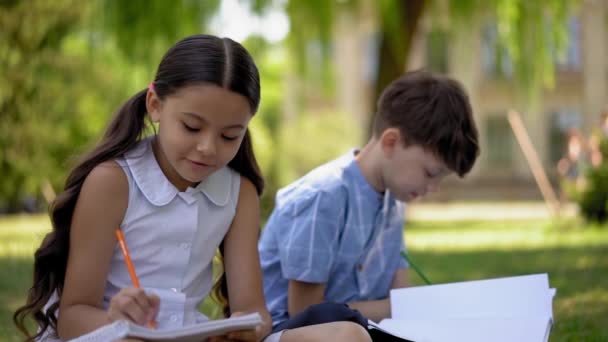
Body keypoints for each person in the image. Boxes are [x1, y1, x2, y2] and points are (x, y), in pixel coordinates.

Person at [13, 34, 369, 342]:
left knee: (347, 334)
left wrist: (244, 329)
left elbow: (254, 314)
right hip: (113, 336)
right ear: (155, 105)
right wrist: (115, 322)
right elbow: (73, 317)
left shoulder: (238, 192)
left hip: (189, 334)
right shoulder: (113, 181)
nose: (209, 148)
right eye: (191, 127)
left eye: (230, 135)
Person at [259, 70, 480, 335]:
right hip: (297, 334)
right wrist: (399, 307)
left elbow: (402, 294)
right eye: (430, 173)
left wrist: (414, 308)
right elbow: (307, 313)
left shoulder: (393, 203)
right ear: (390, 142)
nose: (432, 188)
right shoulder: (323, 197)